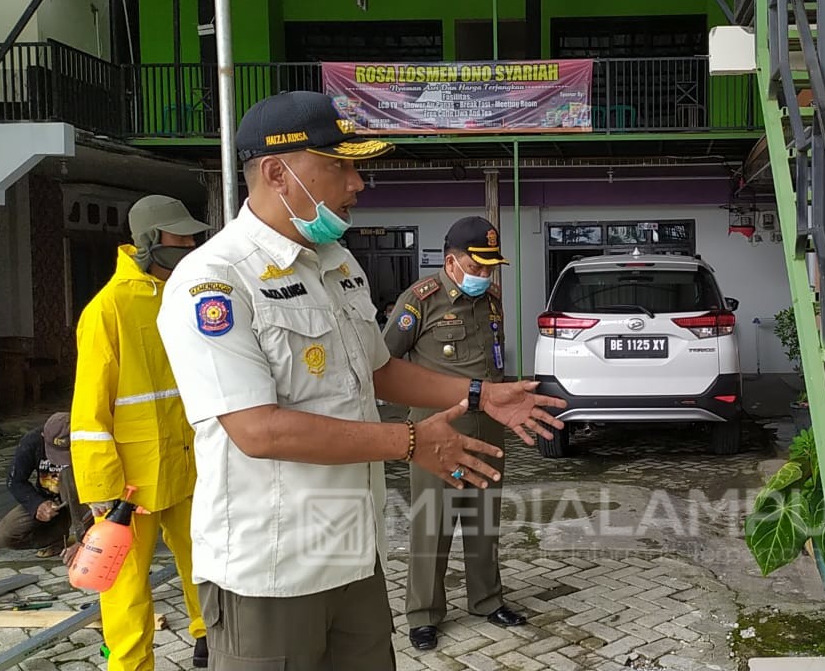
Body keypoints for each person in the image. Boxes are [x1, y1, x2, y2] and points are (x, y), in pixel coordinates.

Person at [156, 90, 564, 671]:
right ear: (277, 172)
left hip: (355, 552)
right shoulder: (215, 282)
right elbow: (257, 431)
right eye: (340, 165)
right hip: (272, 567)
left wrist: (479, 394)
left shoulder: (338, 264)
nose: (358, 183)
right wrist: (412, 442)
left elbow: (379, 370)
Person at [71, 194, 211, 670]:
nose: (191, 244)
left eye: (193, 236)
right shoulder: (107, 310)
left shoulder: (183, 294)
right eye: (181, 237)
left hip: (186, 463)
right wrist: (102, 491)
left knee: (205, 563)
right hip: (129, 486)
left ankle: (208, 639)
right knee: (126, 589)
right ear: (150, 242)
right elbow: (88, 415)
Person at [383, 216, 524, 651]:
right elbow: (386, 362)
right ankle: (424, 613)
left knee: (483, 521)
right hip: (436, 430)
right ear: (451, 261)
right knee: (433, 522)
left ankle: (487, 599)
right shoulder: (420, 301)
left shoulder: (491, 301)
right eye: (477, 266)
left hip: (488, 426)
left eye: (490, 268)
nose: (485, 275)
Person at [0, 412, 87, 559]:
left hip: (83, 500)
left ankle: (88, 542)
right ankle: (57, 538)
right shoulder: (32, 441)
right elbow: (14, 481)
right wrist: (37, 504)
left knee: (67, 475)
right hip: (50, 501)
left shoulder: (88, 439)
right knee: (2, 536)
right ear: (43, 436)